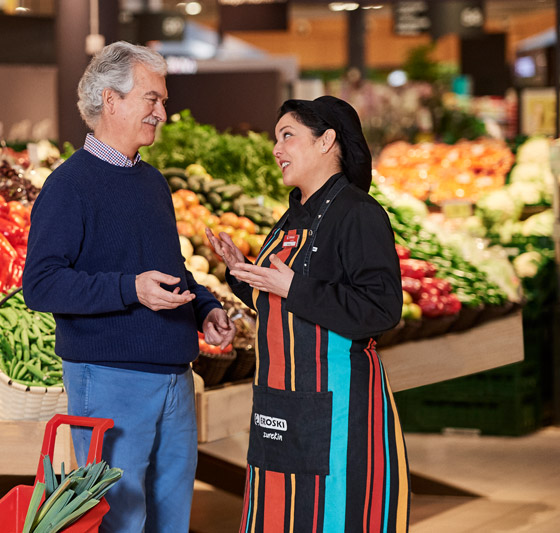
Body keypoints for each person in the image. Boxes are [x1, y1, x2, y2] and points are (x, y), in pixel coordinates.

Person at [22, 41, 236, 533]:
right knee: (118, 520)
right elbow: (41, 285)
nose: (162, 112)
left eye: (162, 100)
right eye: (152, 99)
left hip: (175, 379)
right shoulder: (68, 185)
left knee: (172, 515)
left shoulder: (153, 182)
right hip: (109, 378)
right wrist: (130, 289)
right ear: (110, 101)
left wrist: (203, 307)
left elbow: (170, 270)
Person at [206, 96, 410, 532]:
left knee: (333, 516)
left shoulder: (359, 214)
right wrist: (241, 271)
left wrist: (293, 286)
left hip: (338, 411)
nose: (276, 149)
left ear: (326, 141)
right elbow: (281, 300)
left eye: (287, 136)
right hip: (281, 406)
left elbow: (381, 308)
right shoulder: (290, 218)